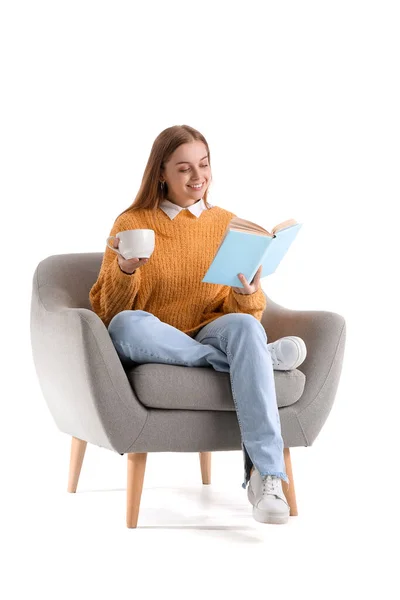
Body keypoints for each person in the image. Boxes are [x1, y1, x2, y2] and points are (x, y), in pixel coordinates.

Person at [89, 124, 307, 525]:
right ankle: (259, 359)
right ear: (161, 173)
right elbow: (107, 314)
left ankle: (269, 476)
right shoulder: (131, 222)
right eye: (184, 168)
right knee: (125, 326)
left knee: (244, 330)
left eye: (203, 165)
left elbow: (245, 316)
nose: (198, 177)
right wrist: (124, 270)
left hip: (211, 329)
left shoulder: (227, 223)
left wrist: (247, 293)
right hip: (153, 332)